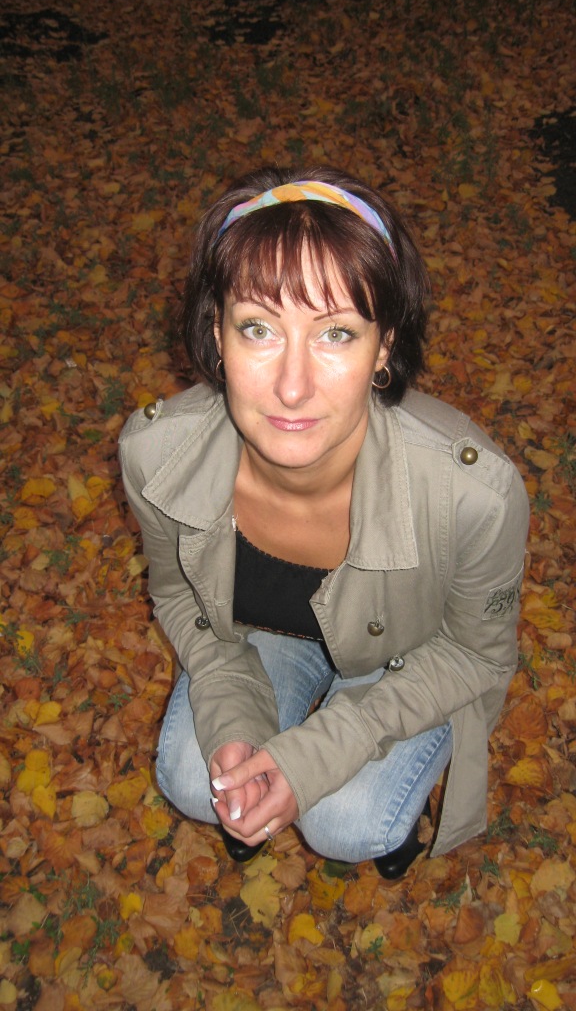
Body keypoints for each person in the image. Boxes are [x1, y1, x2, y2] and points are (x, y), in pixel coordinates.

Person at [119, 168, 529, 879]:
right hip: (261, 638)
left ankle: (388, 824)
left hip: (409, 656)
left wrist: (321, 754)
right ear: (217, 335)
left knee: (346, 820)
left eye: (336, 333)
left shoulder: (472, 495)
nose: (293, 386)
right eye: (258, 328)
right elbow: (179, 595)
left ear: (384, 346)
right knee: (192, 777)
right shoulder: (156, 456)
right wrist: (231, 715)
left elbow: (475, 654)